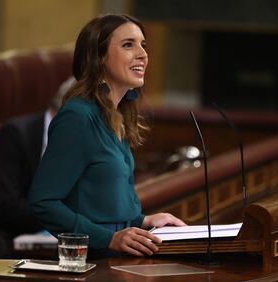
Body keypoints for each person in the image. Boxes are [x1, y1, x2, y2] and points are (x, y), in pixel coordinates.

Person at [29, 14, 186, 258]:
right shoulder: (78, 117)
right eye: (128, 45)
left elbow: (105, 204)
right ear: (99, 58)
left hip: (120, 259)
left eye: (143, 45)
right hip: (90, 262)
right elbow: (43, 203)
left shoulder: (116, 114)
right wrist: (109, 239)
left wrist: (143, 220)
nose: (143, 54)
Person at [0, 77, 74, 257]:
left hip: (45, 232)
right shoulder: (13, 136)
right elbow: (5, 207)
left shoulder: (77, 143)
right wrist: (66, 216)